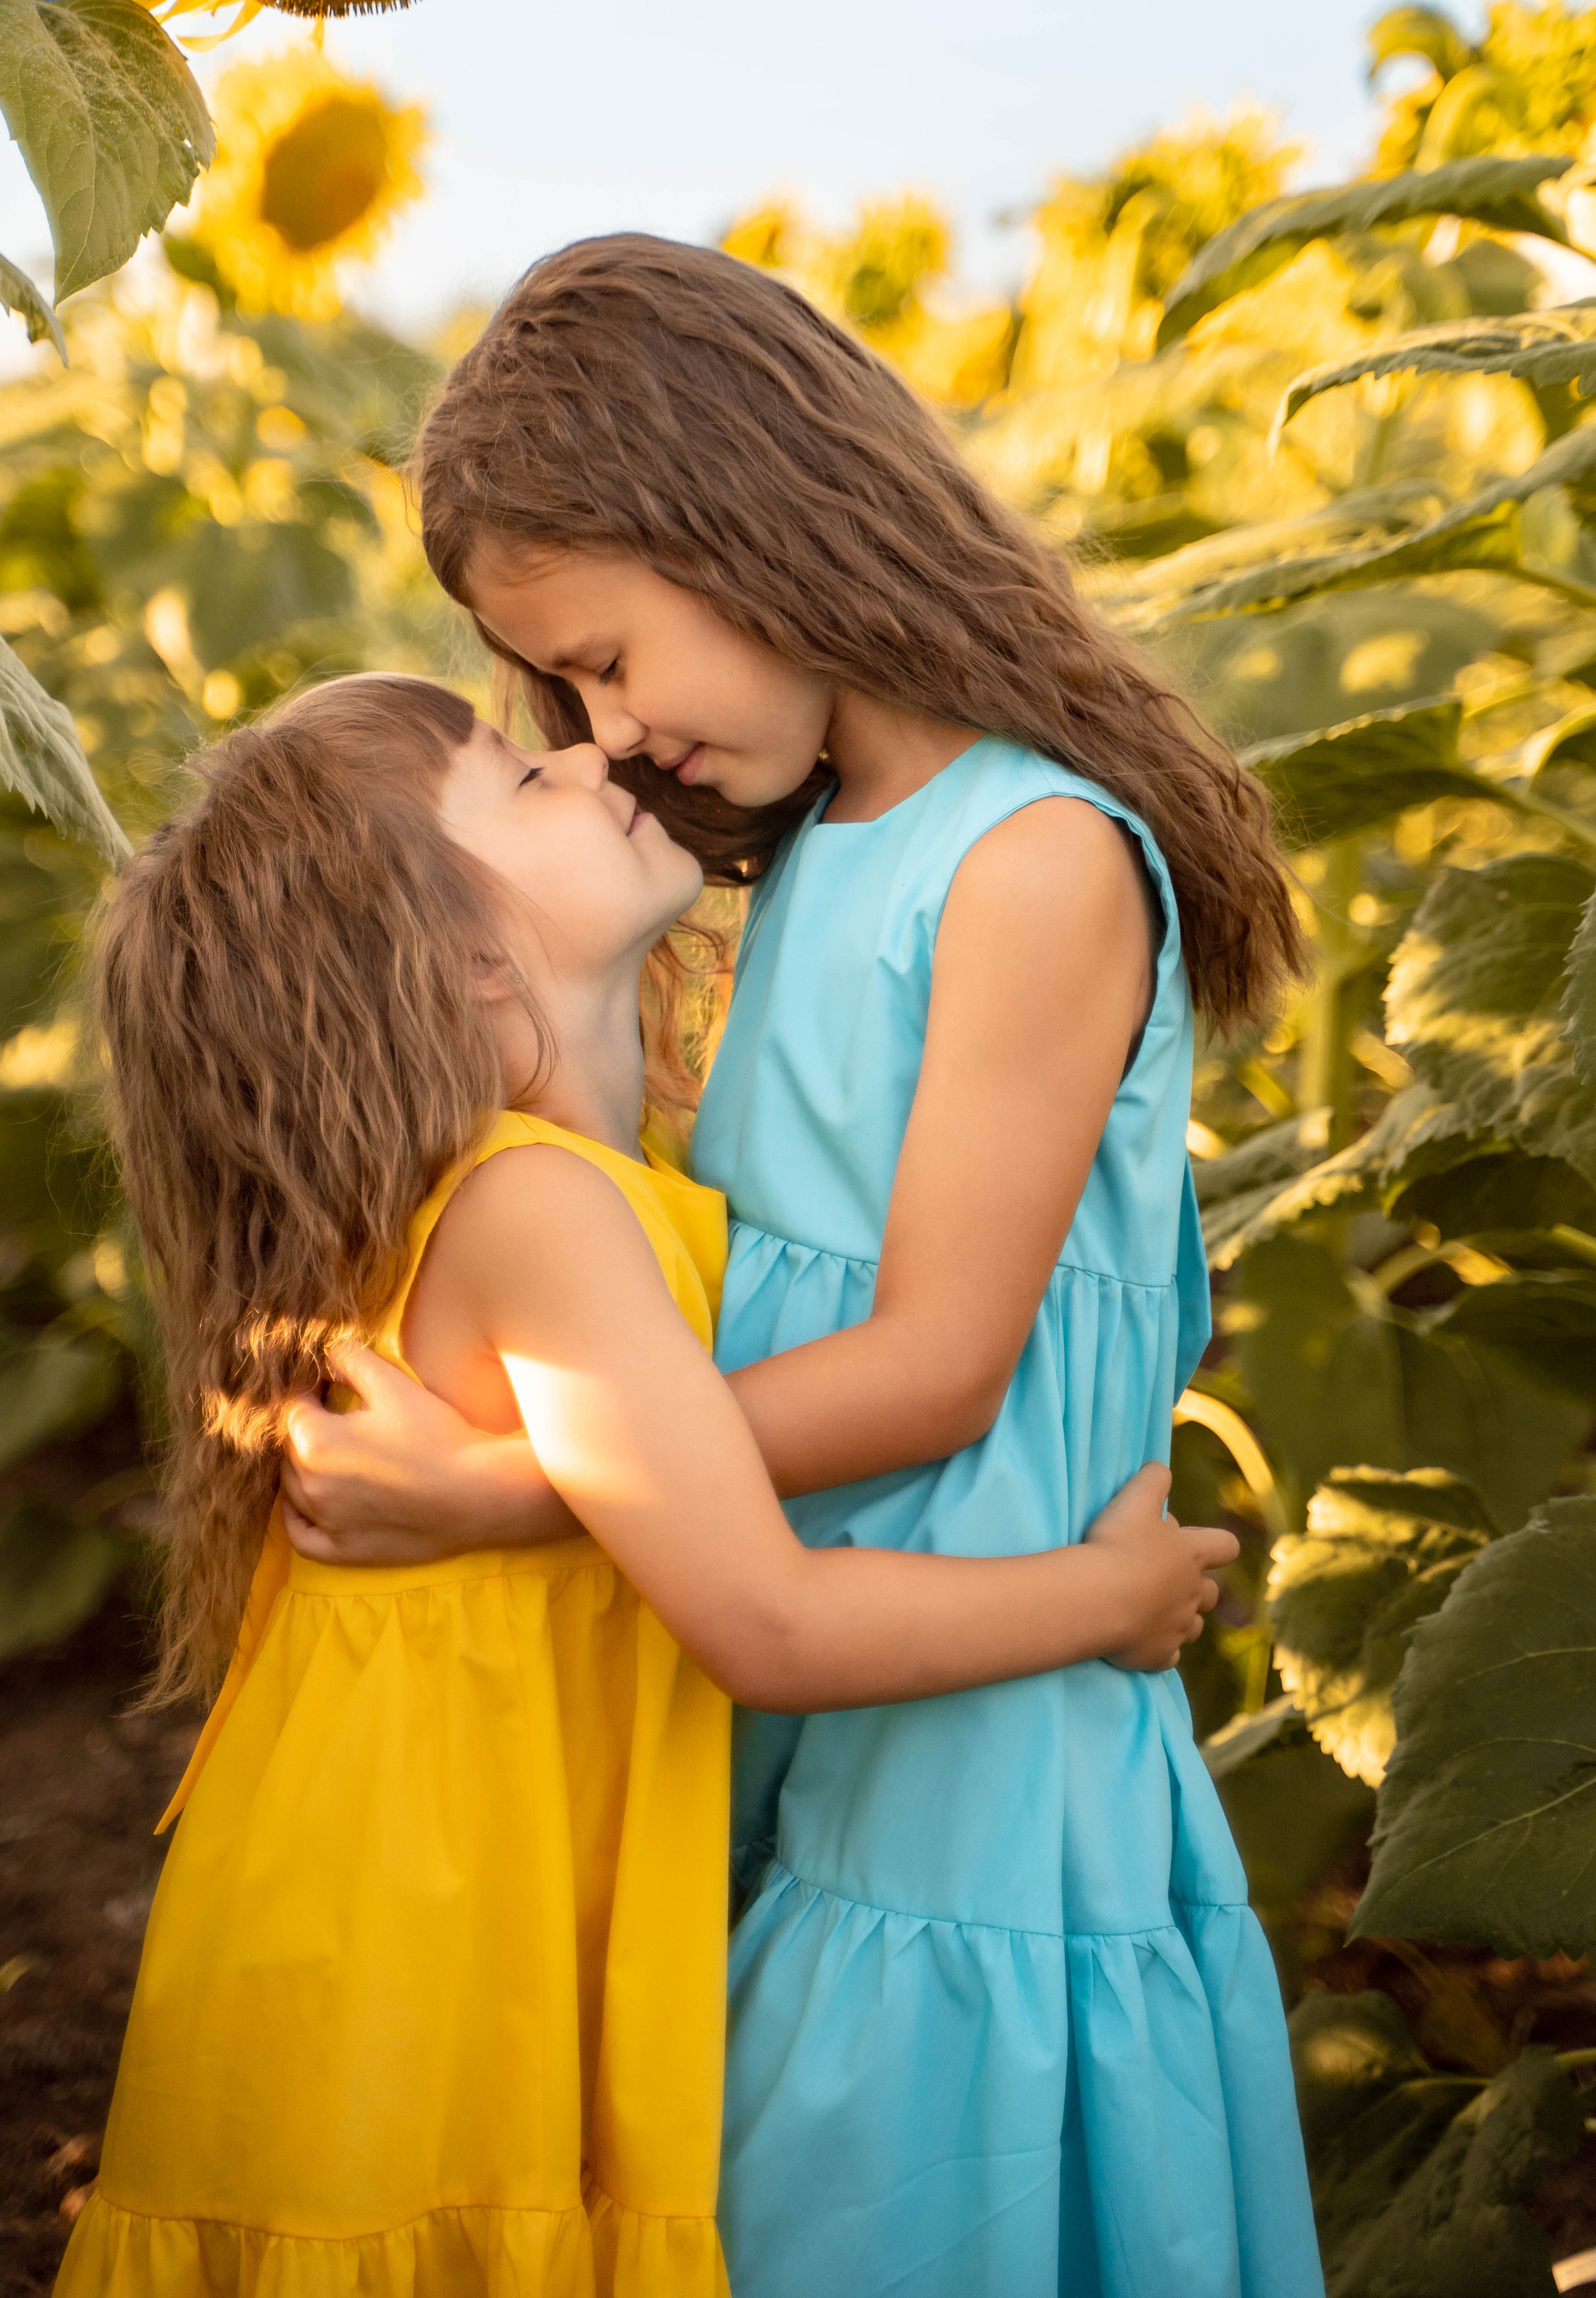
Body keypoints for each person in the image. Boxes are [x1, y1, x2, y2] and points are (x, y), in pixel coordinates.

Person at [281, 235, 1327, 2298]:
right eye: (561, 692)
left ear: (751, 520)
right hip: (830, 1674)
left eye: (604, 657)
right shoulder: (830, 844)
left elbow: (936, 1365)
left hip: (970, 1723)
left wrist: (507, 1491)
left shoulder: (1028, 861)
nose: (606, 729)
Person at [57, 669, 1234, 2298]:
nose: (584, 749)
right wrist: (1111, 1597)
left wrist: (498, 1491)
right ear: (460, 962)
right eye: (516, 781)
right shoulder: (542, 1216)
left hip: (397, 1910)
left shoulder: (561, 1192)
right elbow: (767, 1620)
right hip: (418, 1951)